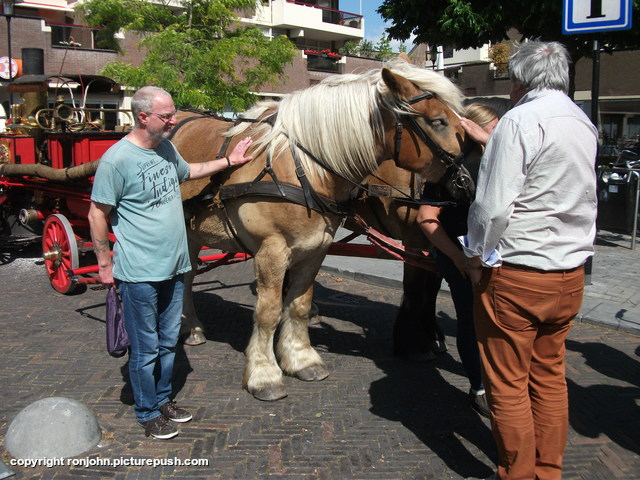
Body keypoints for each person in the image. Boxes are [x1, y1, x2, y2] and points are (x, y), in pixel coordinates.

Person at [462, 41, 598, 480]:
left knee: (508, 384)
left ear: (519, 80)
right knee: (550, 377)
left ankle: (517, 474)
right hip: (569, 275)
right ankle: (548, 471)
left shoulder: (519, 120)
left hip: (518, 274)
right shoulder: (582, 121)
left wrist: (475, 255)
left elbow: (493, 208)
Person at [88, 86, 252, 440]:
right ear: (143, 116)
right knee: (145, 348)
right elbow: (97, 214)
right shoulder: (116, 160)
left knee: (167, 343)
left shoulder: (165, 148)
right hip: (140, 273)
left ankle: (162, 400)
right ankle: (146, 412)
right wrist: (104, 266)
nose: (174, 121)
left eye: (173, 114)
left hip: (176, 268)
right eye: (167, 116)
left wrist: (229, 161)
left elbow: (189, 171)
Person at [416, 97, 510, 418]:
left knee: (493, 325)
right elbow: (426, 218)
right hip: (464, 258)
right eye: (497, 130)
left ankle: (494, 384)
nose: (502, 136)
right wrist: (457, 257)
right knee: (470, 323)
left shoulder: (506, 160)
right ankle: (479, 387)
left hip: (498, 258)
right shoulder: (448, 166)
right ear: (476, 129)